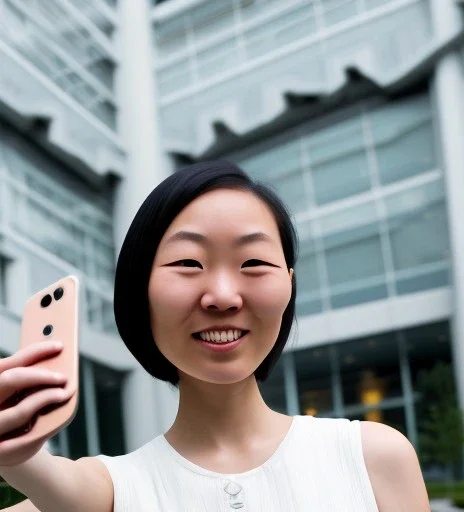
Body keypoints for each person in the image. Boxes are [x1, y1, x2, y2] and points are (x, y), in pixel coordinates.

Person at [0, 161, 431, 511]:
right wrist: (17, 454)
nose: (222, 296)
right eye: (188, 262)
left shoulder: (372, 458)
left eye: (253, 263)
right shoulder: (109, 491)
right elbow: (61, 486)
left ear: (289, 284)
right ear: (140, 289)